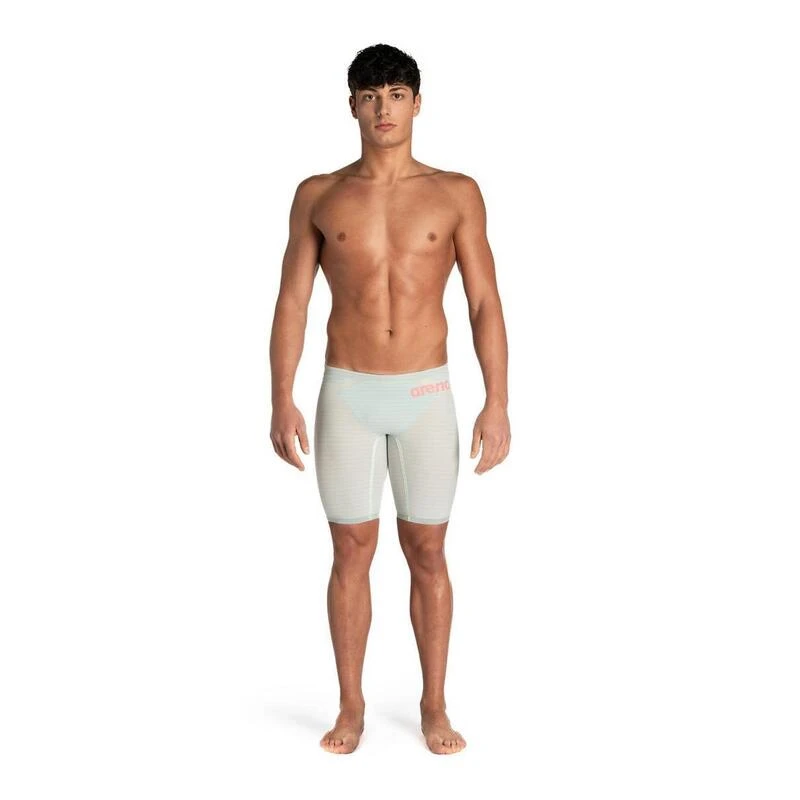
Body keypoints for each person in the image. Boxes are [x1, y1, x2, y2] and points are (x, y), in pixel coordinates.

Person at [269, 43, 510, 755]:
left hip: (425, 391)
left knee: (428, 550)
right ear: (352, 105)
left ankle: (434, 705)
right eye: (370, 96)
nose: (383, 108)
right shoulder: (319, 194)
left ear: (417, 104)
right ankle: (351, 708)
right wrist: (281, 397)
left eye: (396, 94)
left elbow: (484, 302)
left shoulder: (456, 193)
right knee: (350, 549)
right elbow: (292, 302)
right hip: (347, 390)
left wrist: (497, 401)